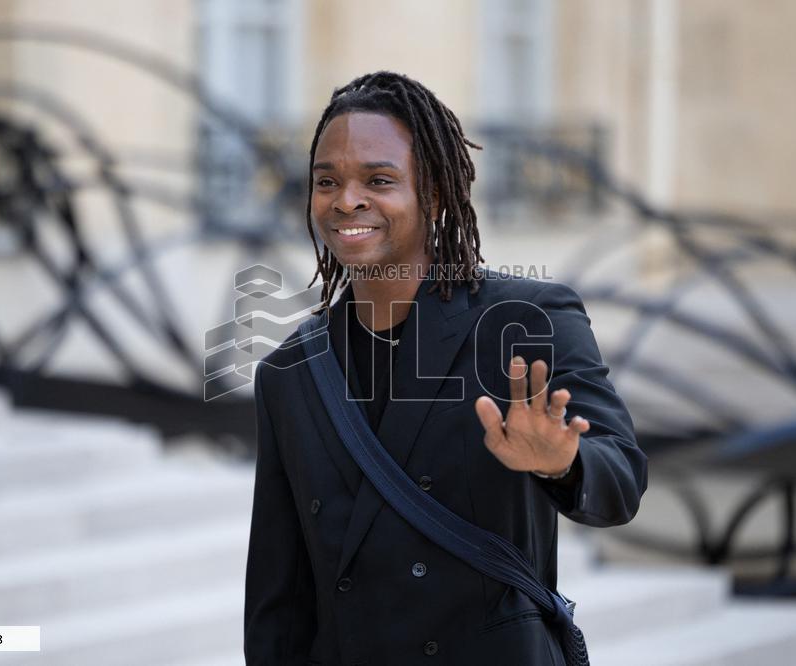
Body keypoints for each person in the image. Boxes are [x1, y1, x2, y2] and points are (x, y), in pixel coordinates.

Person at [244, 71, 647, 665]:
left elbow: (622, 480)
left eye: (378, 180)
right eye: (327, 181)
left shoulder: (527, 318)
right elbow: (279, 596)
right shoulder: (289, 373)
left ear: (431, 194)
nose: (346, 200)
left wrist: (562, 462)